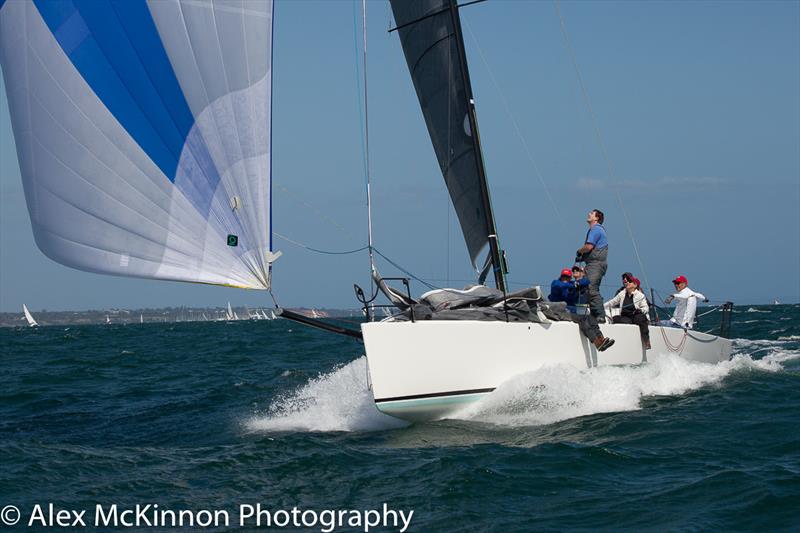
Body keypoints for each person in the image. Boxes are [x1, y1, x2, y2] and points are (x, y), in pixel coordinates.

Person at [575, 209, 608, 322]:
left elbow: (589, 247)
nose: (589, 214)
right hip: (593, 264)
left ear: (597, 218)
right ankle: (595, 316)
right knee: (588, 289)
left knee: (591, 288)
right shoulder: (595, 230)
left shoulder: (595, 229)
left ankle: (600, 316)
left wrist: (579, 251)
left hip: (595, 264)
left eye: (591, 213)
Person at [605, 274, 651, 349]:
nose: (627, 283)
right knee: (615, 318)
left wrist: (640, 310)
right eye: (626, 282)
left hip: (636, 315)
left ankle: (646, 341)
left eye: (630, 281)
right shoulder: (622, 293)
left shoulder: (640, 295)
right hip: (626, 317)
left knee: (641, 318)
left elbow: (646, 308)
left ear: (635, 285)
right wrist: (600, 306)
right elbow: (612, 302)